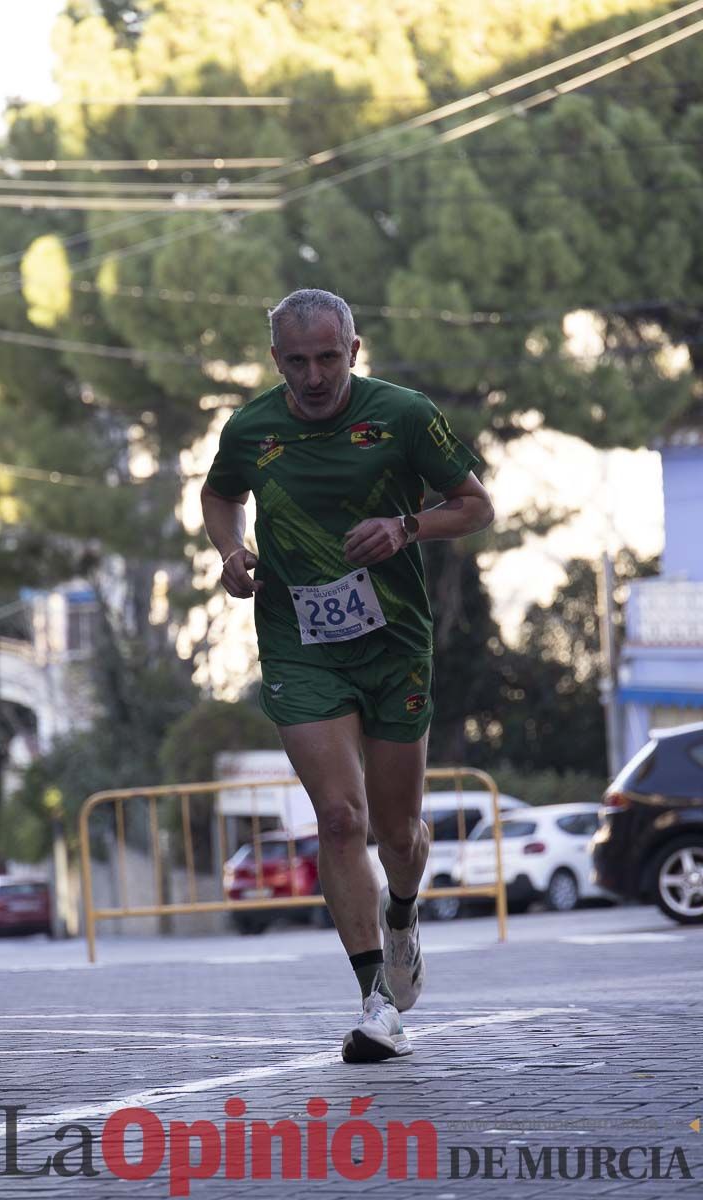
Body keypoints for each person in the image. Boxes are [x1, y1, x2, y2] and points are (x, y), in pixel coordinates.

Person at [201, 288, 494, 1063]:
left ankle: (402, 912)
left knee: (398, 832)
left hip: (394, 643)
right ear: (275, 362)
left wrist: (405, 527)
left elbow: (474, 505)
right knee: (339, 817)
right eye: (296, 361)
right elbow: (219, 493)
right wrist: (230, 552)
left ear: (354, 351)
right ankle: (377, 1003)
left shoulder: (401, 413)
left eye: (329, 357)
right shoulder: (253, 428)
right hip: (300, 643)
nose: (315, 375)